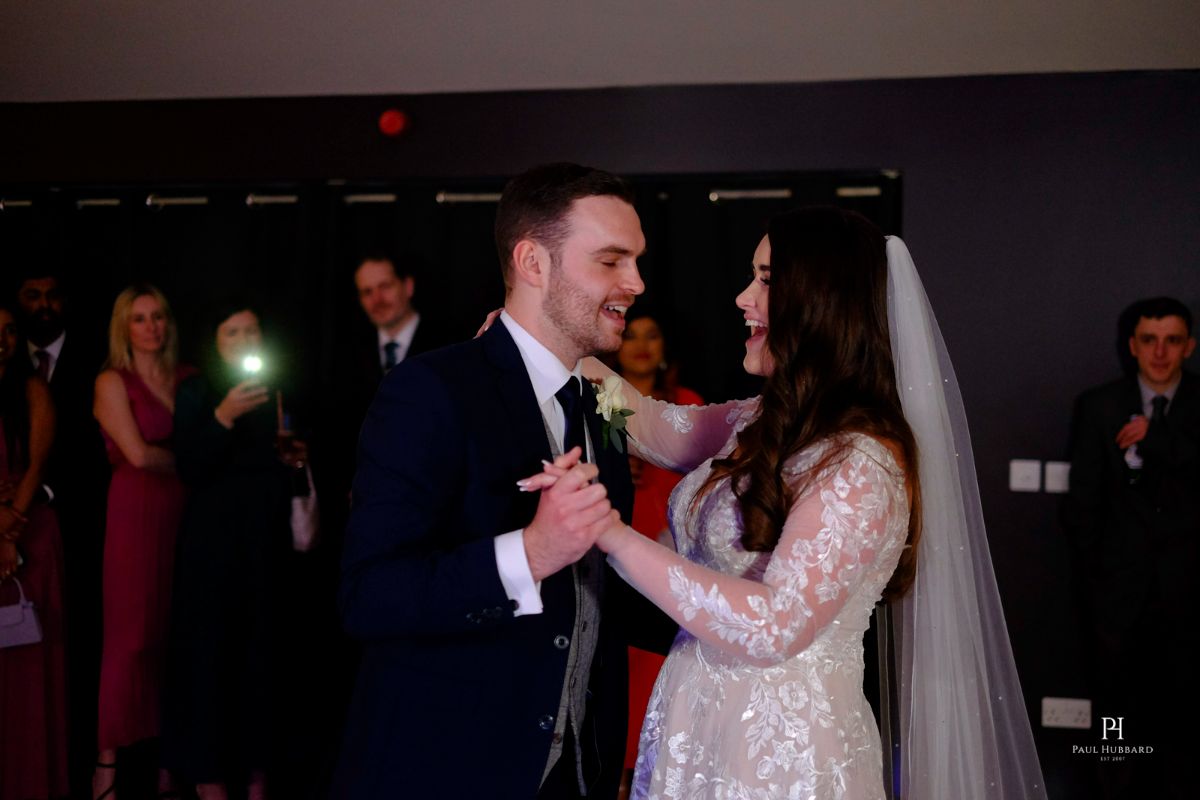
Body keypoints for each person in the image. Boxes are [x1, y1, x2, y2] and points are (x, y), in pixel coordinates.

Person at [524, 207, 1047, 798]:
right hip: (693, 726)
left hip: (783, 756)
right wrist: (558, 350)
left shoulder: (861, 463)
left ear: (822, 302)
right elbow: (643, 424)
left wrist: (608, 534)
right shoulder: (757, 420)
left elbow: (775, 626)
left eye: (767, 280)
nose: (744, 297)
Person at [333, 163, 673, 799]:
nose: (636, 282)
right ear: (533, 262)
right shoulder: (429, 391)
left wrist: (732, 619)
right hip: (451, 769)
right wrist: (532, 551)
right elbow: (369, 595)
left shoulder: (602, 399)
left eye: (636, 261)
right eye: (611, 261)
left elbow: (600, 591)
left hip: (577, 774)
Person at [162, 301, 305, 800]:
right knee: (210, 662)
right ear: (216, 341)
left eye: (252, 330)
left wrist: (293, 457)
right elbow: (190, 465)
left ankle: (260, 780)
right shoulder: (197, 390)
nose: (245, 340)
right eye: (233, 332)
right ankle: (210, 783)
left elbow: (283, 464)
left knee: (261, 658)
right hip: (212, 549)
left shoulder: (276, 389)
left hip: (264, 546)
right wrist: (223, 415)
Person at [1065, 296, 1198, 798]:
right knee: (1115, 714)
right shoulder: (1099, 406)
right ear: (1132, 346)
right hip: (1117, 593)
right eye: (1149, 340)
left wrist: (1157, 437)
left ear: (1189, 346)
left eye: (1171, 340)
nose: (1160, 352)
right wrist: (1098, 577)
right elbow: (1083, 503)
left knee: (1183, 711)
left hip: (1190, 594)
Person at [92, 285, 193, 800]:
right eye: (140, 319)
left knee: (172, 637)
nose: (151, 327)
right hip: (134, 514)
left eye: (158, 317)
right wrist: (198, 459)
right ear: (124, 327)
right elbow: (137, 455)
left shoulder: (188, 378)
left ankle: (166, 765)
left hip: (186, 515)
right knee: (129, 642)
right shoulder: (112, 380)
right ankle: (106, 765)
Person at [16, 268, 110, 796]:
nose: (44, 305)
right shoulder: (9, 363)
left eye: (53, 295)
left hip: (84, 525)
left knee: (78, 648)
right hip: (13, 532)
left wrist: (41, 498)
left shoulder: (97, 357)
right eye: (33, 295)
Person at [613, 309, 702, 790]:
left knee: (658, 660)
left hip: (672, 548)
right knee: (623, 664)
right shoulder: (606, 398)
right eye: (630, 336)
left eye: (652, 334)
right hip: (620, 533)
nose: (642, 345)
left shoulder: (685, 403)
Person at [0, 297, 69, 800]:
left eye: (7, 331)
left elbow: (39, 461)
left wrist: (8, 530)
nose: (0, 340)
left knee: (28, 664)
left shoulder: (32, 389)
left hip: (31, 536)